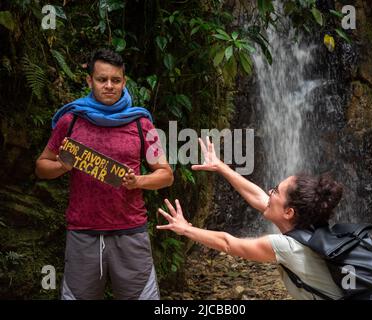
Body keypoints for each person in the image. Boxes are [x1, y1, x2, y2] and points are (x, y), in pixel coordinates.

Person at [35, 48, 173, 300]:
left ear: (124, 81)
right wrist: (63, 166)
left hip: (131, 232)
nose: (109, 86)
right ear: (90, 81)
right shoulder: (71, 121)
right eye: (102, 79)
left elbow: (165, 174)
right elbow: (42, 166)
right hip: (83, 233)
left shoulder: (142, 124)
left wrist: (138, 180)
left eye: (116, 80)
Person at [157, 137, 345, 300]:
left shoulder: (286, 246)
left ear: (289, 212)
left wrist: (185, 228)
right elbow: (259, 198)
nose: (269, 193)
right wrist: (221, 167)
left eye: (275, 192)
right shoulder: (309, 225)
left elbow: (227, 244)